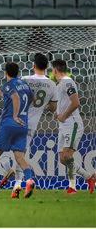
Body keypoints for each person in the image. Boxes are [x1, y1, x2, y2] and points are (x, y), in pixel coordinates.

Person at [0, 54, 57, 198]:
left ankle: (8, 171)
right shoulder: (52, 84)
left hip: (16, 121)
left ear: (33, 66)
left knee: (2, 153)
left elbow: (13, 98)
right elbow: (53, 108)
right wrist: (42, 105)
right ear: (47, 67)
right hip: (32, 125)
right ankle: (18, 185)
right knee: (21, 156)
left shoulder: (24, 80)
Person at [0, 62, 36, 198]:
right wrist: (3, 95)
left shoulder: (8, 85)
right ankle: (29, 180)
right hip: (23, 125)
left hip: (9, 124)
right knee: (20, 157)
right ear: (17, 72)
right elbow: (32, 97)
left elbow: (15, 97)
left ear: (5, 73)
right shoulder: (24, 84)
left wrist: (15, 115)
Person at [51, 59, 95, 194]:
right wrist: (58, 114)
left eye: (51, 70)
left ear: (55, 70)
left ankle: (72, 187)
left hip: (72, 124)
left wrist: (63, 115)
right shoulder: (59, 85)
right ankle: (89, 177)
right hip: (63, 125)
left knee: (67, 155)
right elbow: (63, 105)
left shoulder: (68, 81)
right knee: (63, 159)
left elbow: (75, 102)